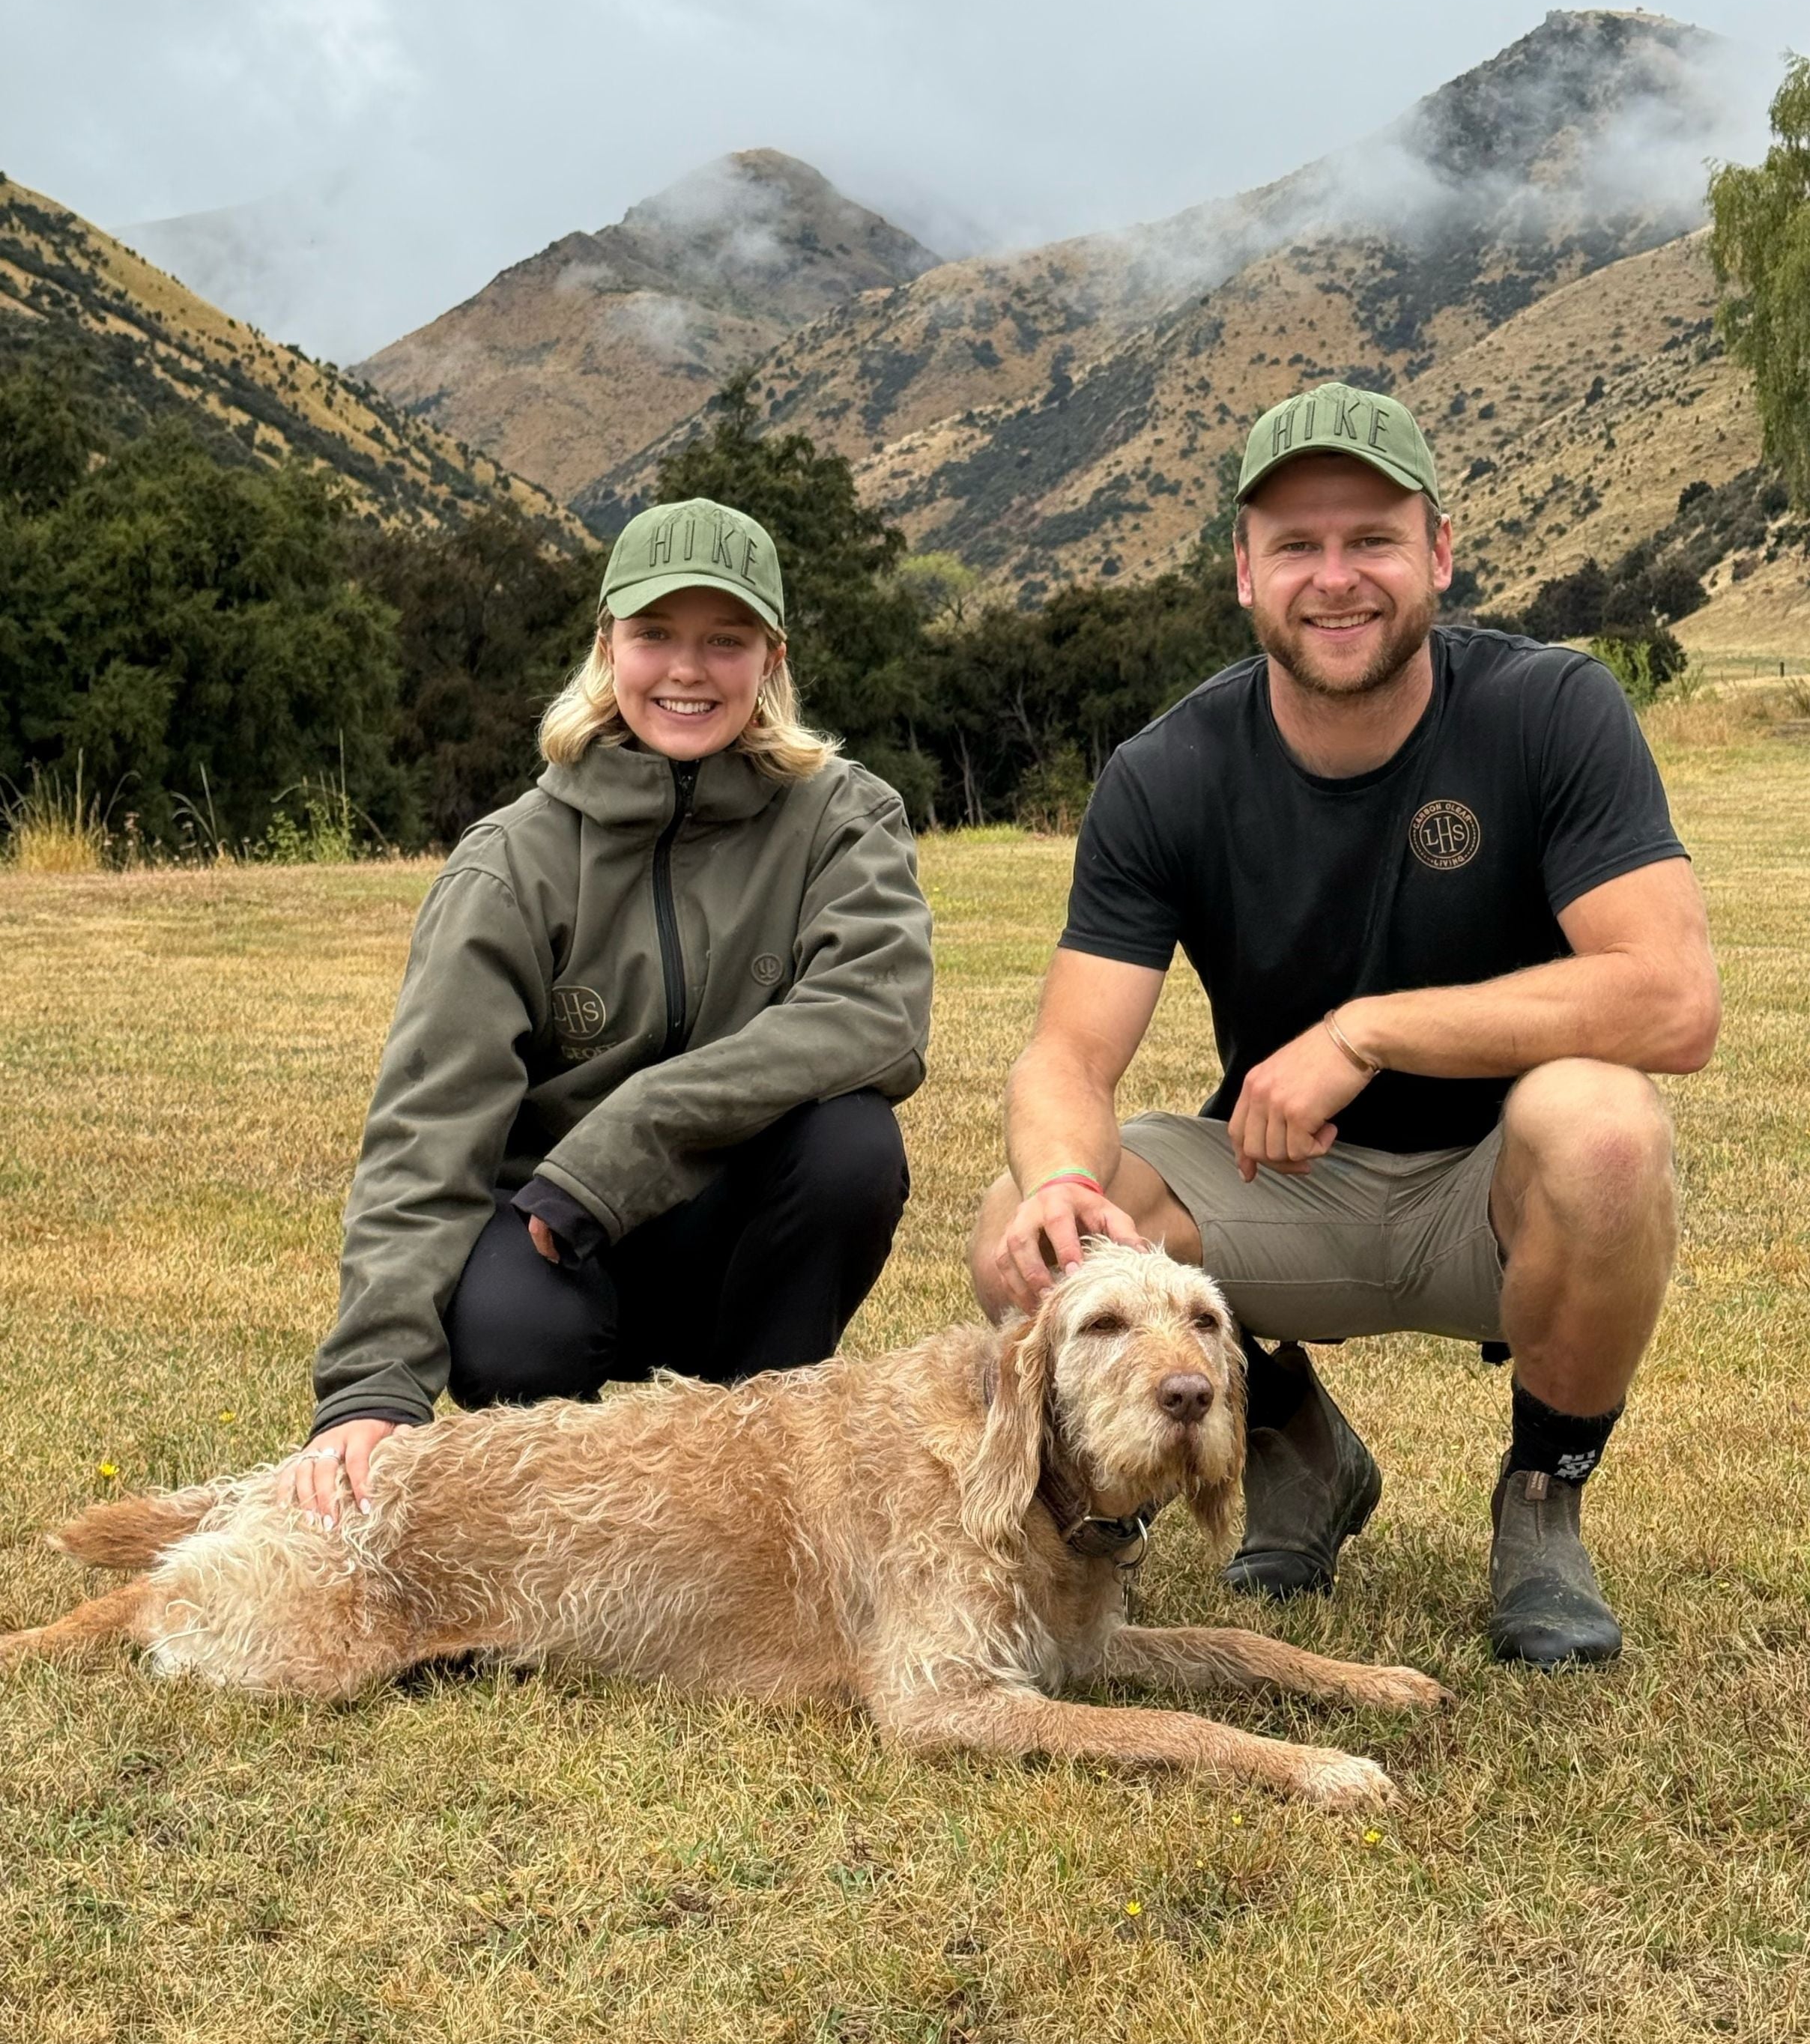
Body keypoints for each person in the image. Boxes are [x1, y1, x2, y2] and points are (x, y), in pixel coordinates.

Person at [970, 382, 1719, 1667]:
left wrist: (1367, 1030)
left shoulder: (1551, 710)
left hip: (1497, 1193)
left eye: (1371, 538)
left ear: (1436, 552)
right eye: (1296, 546)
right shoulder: (1168, 771)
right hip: (1284, 1182)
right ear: (1245, 576)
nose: (1337, 579)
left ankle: (1543, 1504)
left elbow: (1671, 996)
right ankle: (1292, 1444)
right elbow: (1070, 1054)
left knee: (1601, 1125)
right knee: (1019, 1240)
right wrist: (1059, 1181)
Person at [288, 497, 933, 1529]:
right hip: (556, 1244)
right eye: (655, 636)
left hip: (736, 1236)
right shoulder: (509, 862)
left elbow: (874, 1016)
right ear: (607, 647)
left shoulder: (846, 818)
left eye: (725, 641)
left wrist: (630, 1139)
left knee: (853, 1144)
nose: (688, 670)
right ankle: (575, 1508)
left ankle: (763, 1484)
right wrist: (371, 1387)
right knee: (508, 1332)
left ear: (771, 656)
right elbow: (428, 1133)